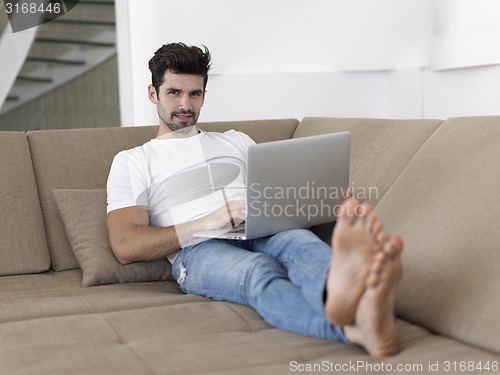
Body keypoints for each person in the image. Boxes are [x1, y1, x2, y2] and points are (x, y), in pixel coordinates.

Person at [106, 42, 404, 356]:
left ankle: (349, 297)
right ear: (153, 94)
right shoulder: (133, 161)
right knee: (257, 271)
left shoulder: (236, 141)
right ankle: (357, 324)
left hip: (261, 228)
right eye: (173, 93)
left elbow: (275, 191)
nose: (185, 104)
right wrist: (211, 220)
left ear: (204, 95)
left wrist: (321, 198)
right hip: (196, 250)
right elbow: (126, 246)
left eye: (195, 94)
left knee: (302, 245)